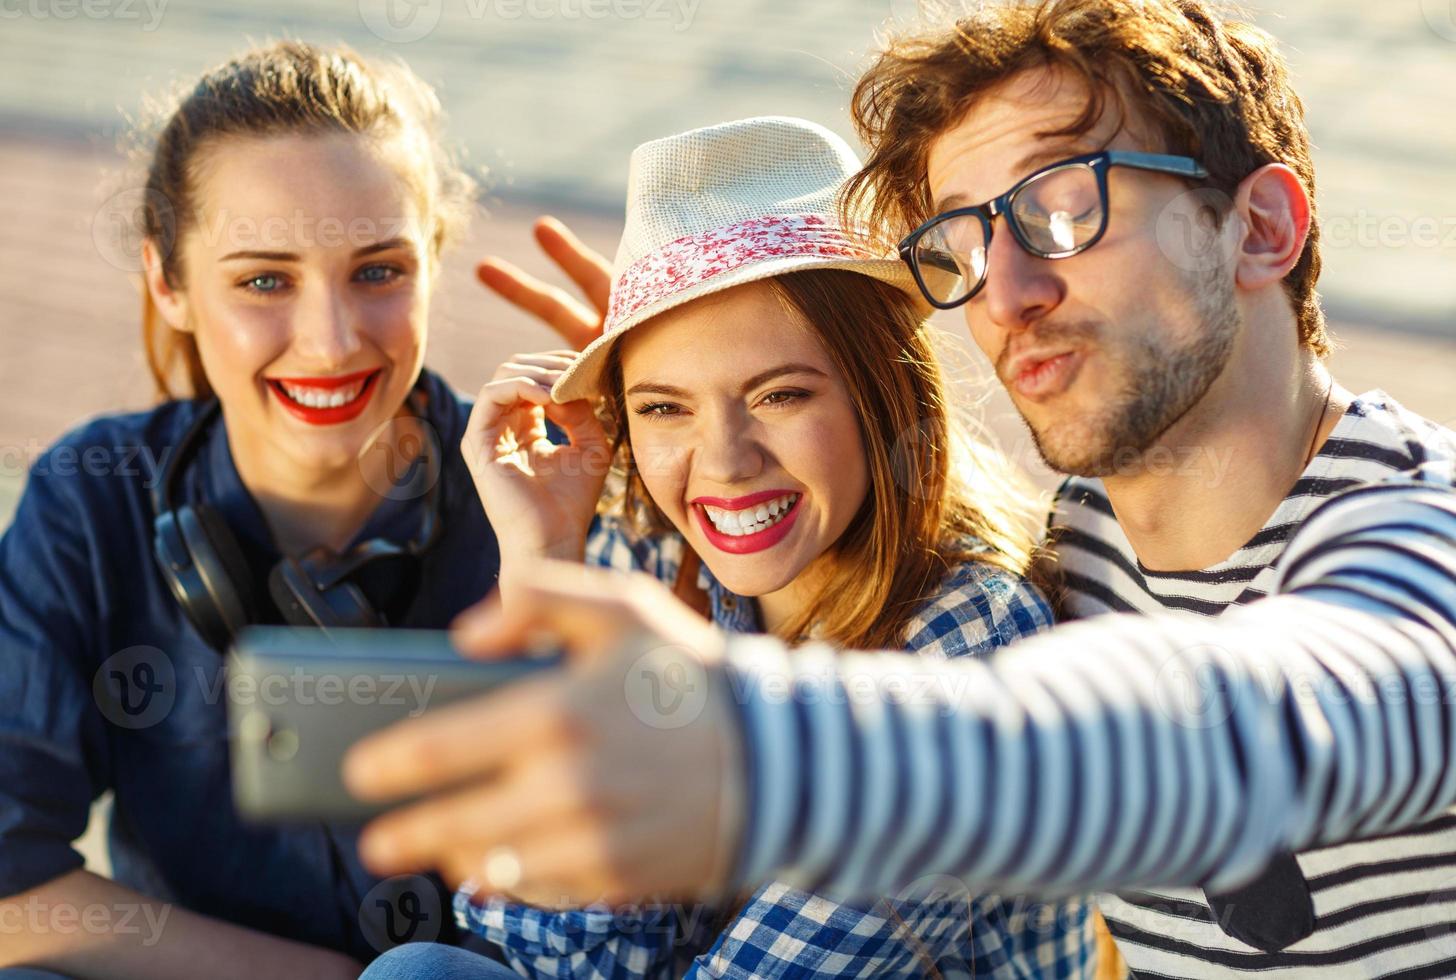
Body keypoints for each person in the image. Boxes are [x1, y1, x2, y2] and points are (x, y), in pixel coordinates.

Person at [344, 0, 1456, 975]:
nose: (1004, 291)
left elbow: (1270, 709)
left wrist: (759, 744)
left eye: (1065, 206)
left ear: (1259, 226)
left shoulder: (1419, 531)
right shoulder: (1084, 546)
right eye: (965, 240)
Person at [359, 117, 1095, 979]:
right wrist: (544, 562)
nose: (725, 464)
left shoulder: (969, 638)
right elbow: (556, 954)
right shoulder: (648, 559)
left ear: (885, 396)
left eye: (780, 394)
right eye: (667, 408)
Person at [0, 41, 507, 979]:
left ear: (435, 256)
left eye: (380, 271)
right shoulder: (90, 500)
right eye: (264, 280)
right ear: (169, 283)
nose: (331, 341)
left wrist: (668, 422)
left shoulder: (537, 488)